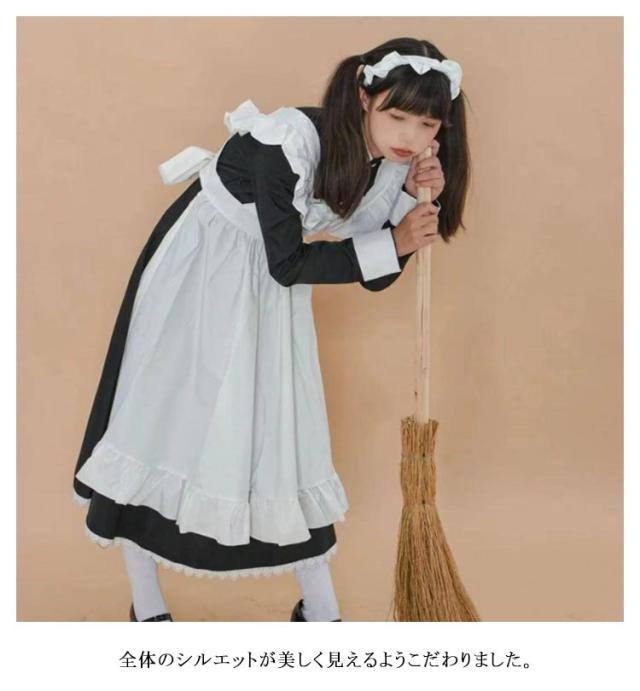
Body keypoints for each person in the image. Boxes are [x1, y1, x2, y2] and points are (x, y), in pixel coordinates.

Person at [71, 35, 470, 622]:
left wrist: (406, 206)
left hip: (267, 285)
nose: (409, 135)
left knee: (282, 427)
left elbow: (376, 276)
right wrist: (394, 240)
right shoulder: (285, 139)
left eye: (426, 123)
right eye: (397, 115)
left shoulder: (391, 167)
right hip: (203, 270)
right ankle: (147, 605)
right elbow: (289, 262)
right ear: (364, 97)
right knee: (161, 419)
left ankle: (319, 609)